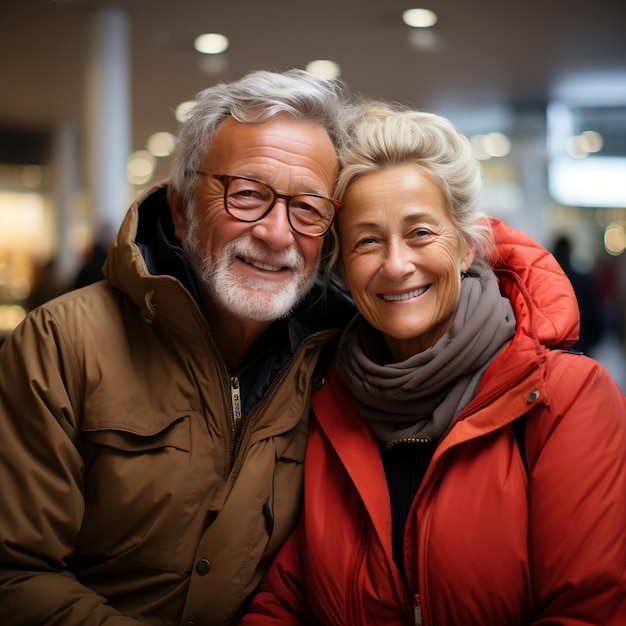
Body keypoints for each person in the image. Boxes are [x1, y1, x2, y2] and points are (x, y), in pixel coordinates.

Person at [241, 103, 626, 624]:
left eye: (421, 233)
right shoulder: (325, 399)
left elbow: (588, 611)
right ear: (343, 266)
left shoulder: (567, 399)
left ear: (466, 246)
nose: (397, 265)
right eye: (368, 241)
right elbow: (285, 600)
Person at [0, 69, 356, 625]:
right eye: (246, 195)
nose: (277, 233)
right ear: (184, 205)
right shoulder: (62, 344)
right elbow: (14, 574)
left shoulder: (339, 360)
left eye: (307, 208)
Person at [552, 234, 604, 355]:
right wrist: (594, 337)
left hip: (554, 346)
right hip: (581, 342)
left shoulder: (547, 281)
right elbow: (593, 310)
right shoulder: (582, 279)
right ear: (570, 251)